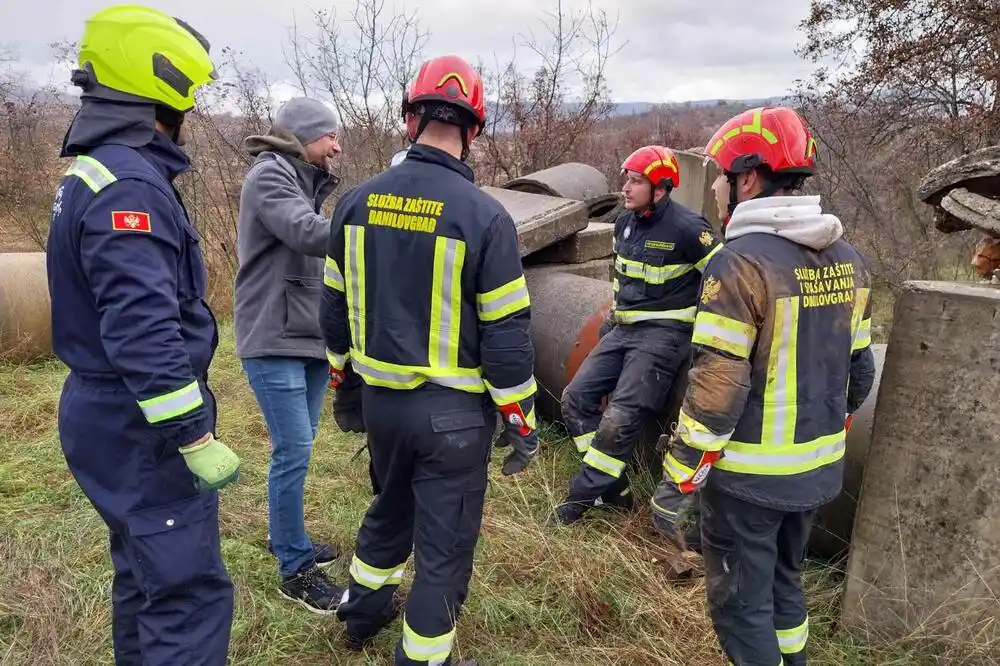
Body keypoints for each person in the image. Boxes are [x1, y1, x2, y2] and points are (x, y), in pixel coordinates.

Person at [320, 54, 536, 665]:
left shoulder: (355, 203)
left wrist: (345, 387)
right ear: (474, 130)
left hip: (383, 406)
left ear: (410, 119)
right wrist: (522, 425)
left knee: (389, 510)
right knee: (442, 549)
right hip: (454, 422)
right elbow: (507, 337)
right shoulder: (486, 216)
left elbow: (332, 312)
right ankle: (424, 657)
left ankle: (360, 611)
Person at [46, 5, 239, 664]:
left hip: (106, 414)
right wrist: (193, 433)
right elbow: (141, 325)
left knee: (144, 580)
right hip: (138, 427)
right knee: (186, 598)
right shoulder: (129, 180)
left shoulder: (94, 170)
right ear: (163, 86)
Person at [650, 106, 877, 666]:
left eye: (724, 180)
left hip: (750, 480)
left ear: (747, 179)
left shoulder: (738, 265)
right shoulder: (850, 260)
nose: (720, 196)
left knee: (740, 609)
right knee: (785, 586)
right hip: (818, 471)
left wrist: (678, 479)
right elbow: (862, 374)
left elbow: (716, 393)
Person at [553, 145, 722, 525]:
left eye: (636, 181)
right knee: (575, 400)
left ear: (660, 187)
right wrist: (611, 326)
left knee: (619, 418)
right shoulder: (623, 223)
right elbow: (623, 283)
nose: (625, 188)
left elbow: (723, 281)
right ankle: (614, 489)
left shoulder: (689, 229)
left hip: (665, 336)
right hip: (624, 329)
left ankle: (578, 499)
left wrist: (709, 338)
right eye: (626, 179)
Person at [233, 96, 345, 614]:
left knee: (300, 451)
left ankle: (289, 538)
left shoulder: (303, 179)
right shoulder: (270, 176)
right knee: (293, 450)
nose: (337, 146)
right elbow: (305, 232)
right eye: (329, 137)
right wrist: (373, 228)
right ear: (303, 137)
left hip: (308, 337)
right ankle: (294, 568)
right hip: (272, 336)